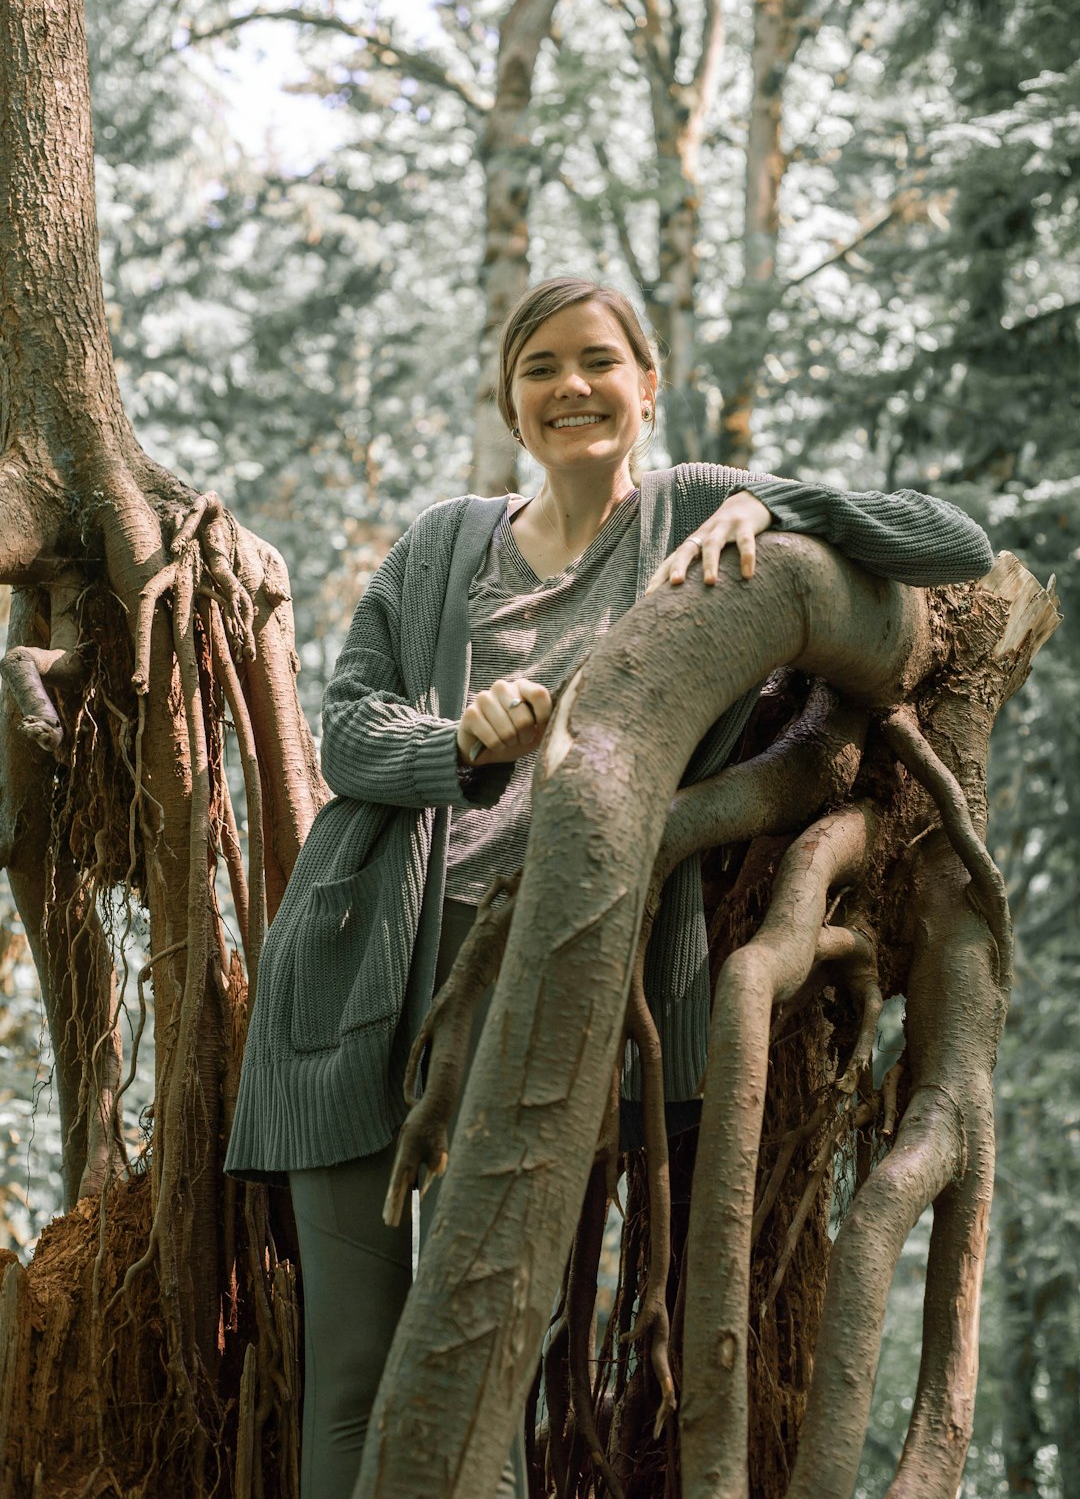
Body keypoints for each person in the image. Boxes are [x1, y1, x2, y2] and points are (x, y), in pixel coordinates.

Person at [225, 276, 994, 1498]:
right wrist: (461, 744)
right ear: (510, 401)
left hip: (561, 971)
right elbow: (348, 735)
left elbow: (956, 549)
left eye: (598, 362)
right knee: (358, 1372)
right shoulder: (441, 544)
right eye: (539, 368)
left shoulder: (698, 514)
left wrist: (767, 505)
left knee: (484, 1357)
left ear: (649, 386)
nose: (570, 387)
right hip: (359, 966)